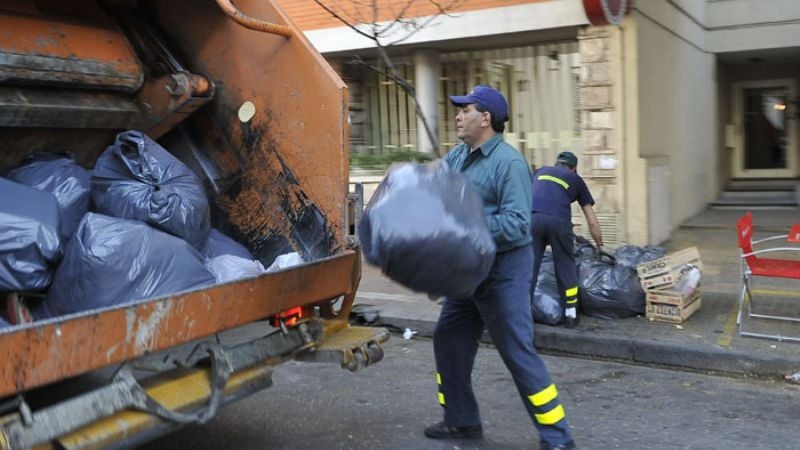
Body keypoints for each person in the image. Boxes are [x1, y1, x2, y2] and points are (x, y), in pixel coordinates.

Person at [424, 84, 576, 450]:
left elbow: (516, 225)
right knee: (449, 340)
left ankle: (558, 439)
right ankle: (461, 421)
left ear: (486, 118)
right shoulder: (459, 156)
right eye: (458, 110)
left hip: (503, 271)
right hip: (468, 273)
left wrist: (464, 227)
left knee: (517, 353)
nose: (458, 116)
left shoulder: (509, 163)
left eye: (466, 110)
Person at [530, 151, 604, 329]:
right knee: (565, 265)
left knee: (529, 266)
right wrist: (600, 246)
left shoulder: (539, 172)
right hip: (560, 222)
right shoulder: (576, 179)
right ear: (574, 168)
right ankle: (570, 313)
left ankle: (521, 314)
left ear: (557, 164)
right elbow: (592, 221)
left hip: (532, 220)